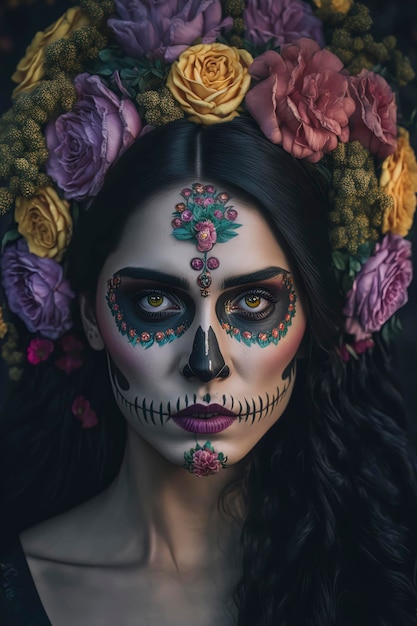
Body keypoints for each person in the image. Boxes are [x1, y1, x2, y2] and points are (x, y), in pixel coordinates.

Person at [0, 1, 417, 624]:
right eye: (155, 301)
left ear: (312, 319)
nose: (205, 364)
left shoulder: (386, 586)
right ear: (89, 315)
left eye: (253, 302)